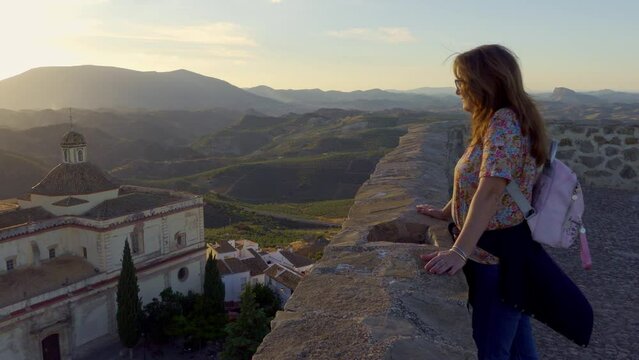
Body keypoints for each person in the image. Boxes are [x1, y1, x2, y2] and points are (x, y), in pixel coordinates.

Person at [418, 44, 549, 360]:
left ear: (484, 83)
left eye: (461, 81)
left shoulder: (504, 122)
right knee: (518, 347)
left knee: (492, 351)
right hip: (511, 252)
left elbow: (491, 190)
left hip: (497, 258)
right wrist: (447, 210)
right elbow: (473, 181)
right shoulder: (502, 119)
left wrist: (458, 251)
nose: (458, 90)